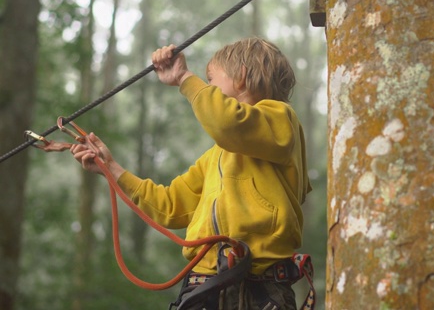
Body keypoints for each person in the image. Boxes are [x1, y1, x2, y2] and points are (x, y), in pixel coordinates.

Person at [70, 37, 312, 309]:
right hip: (205, 287)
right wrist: (111, 168)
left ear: (241, 76)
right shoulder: (215, 158)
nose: (207, 87)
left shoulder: (280, 120)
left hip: (259, 289)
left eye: (211, 79)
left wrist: (185, 77)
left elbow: (228, 123)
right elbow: (171, 207)